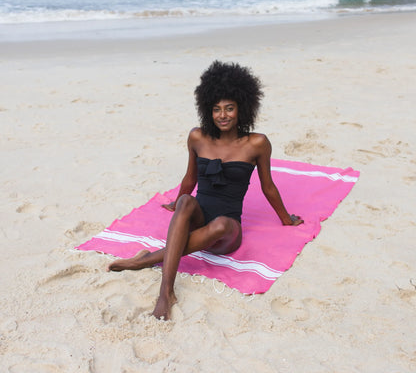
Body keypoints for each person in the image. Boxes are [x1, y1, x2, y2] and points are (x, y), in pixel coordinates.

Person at [107, 60, 303, 320]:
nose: (223, 115)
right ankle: (166, 292)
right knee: (186, 201)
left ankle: (146, 259)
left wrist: (286, 219)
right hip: (198, 220)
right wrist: (175, 202)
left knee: (221, 223)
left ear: (241, 109)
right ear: (207, 111)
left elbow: (268, 186)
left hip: (227, 231)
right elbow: (190, 177)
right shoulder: (197, 137)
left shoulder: (257, 143)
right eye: (216, 109)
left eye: (229, 108)